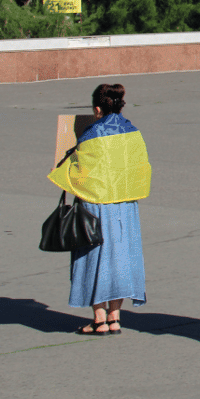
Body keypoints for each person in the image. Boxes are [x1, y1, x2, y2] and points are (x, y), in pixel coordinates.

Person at [50, 83, 151, 337]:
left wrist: (61, 170)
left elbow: (79, 172)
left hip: (96, 206)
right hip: (125, 205)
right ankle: (115, 317)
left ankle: (99, 319)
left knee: (94, 258)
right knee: (121, 259)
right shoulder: (133, 132)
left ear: (97, 109)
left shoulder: (91, 134)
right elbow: (141, 168)